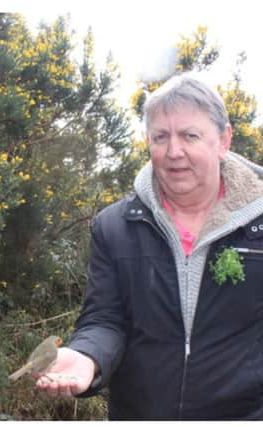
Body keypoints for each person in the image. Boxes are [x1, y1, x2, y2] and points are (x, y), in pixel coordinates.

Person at [36, 74, 263, 420]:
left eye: (190, 135)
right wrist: (85, 357)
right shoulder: (114, 227)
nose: (174, 152)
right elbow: (106, 319)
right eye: (160, 137)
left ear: (223, 140)